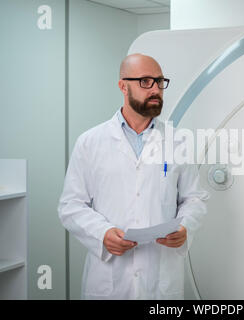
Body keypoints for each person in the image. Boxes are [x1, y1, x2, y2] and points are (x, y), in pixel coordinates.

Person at [58, 53, 209, 299]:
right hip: (109, 278)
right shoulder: (90, 142)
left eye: (160, 82)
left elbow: (194, 198)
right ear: (122, 86)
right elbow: (71, 204)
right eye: (145, 82)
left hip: (161, 278)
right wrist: (102, 233)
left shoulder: (178, 141)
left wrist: (185, 227)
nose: (156, 90)